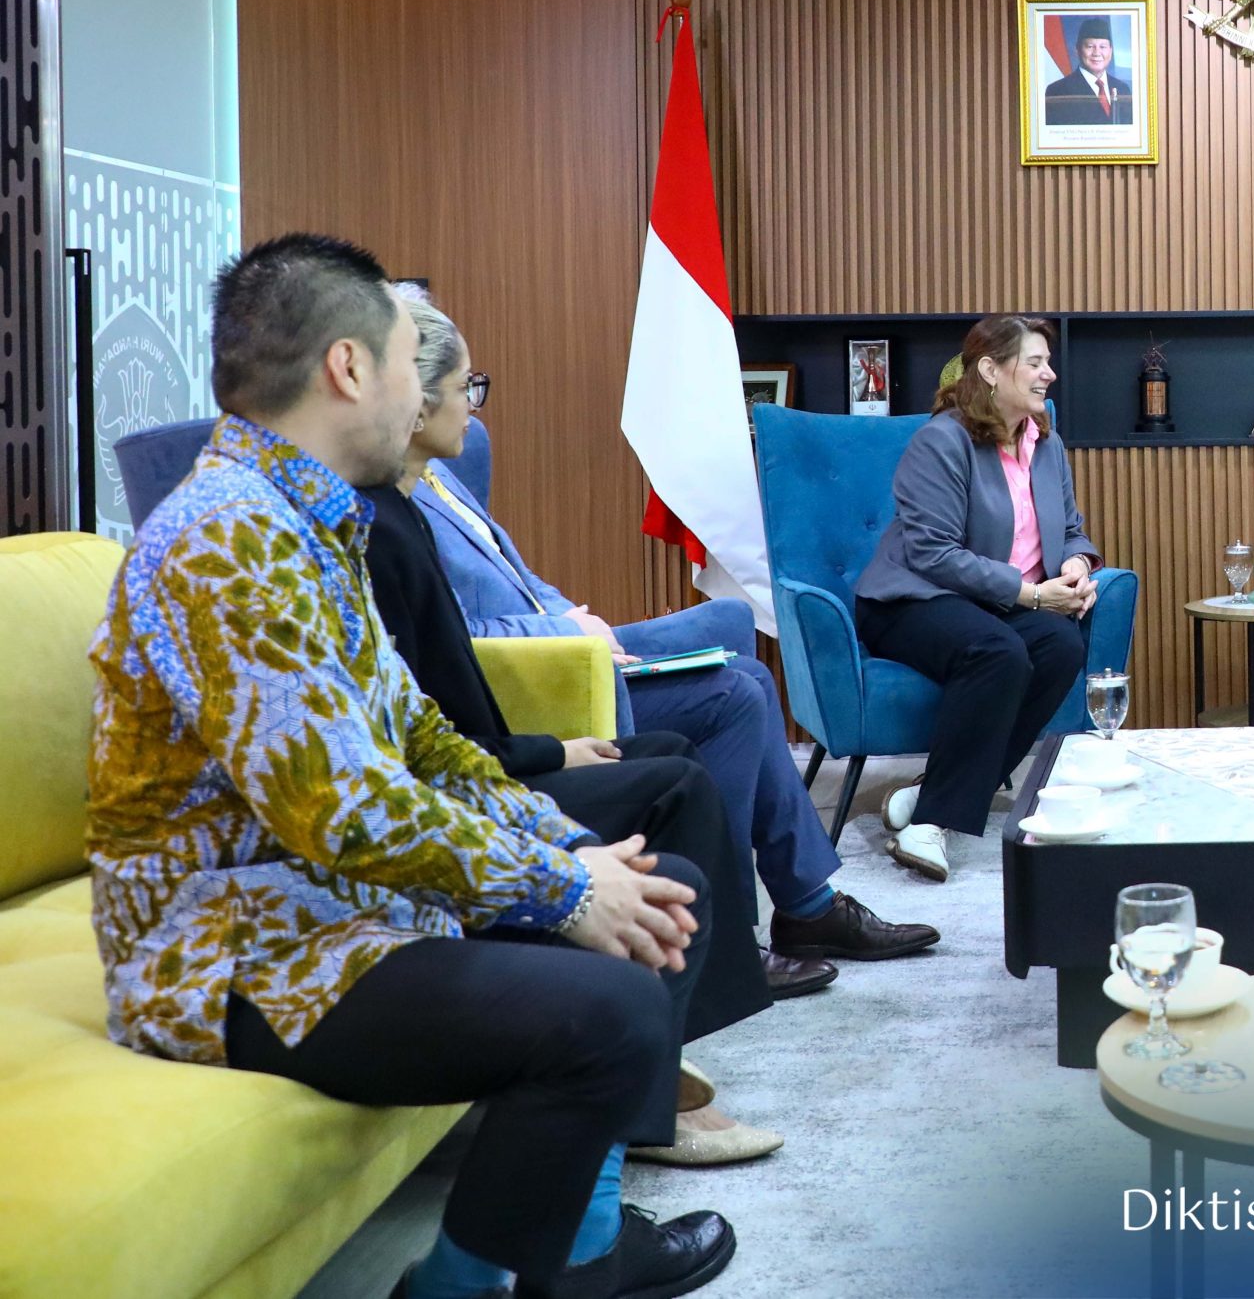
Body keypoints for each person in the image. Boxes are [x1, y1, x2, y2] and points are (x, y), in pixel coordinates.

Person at [87, 234, 734, 1299]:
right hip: (243, 955)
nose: (429, 394)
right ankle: (463, 1288)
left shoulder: (310, 522)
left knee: (663, 893)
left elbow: (421, 738)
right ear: (348, 368)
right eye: (408, 362)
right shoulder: (225, 539)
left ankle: (574, 1254)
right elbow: (342, 807)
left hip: (341, 909)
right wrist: (564, 888)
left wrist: (572, 851)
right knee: (609, 1008)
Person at [408, 289, 939, 985]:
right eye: (465, 388)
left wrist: (579, 620)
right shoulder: (392, 506)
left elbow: (522, 579)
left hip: (574, 648)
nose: (475, 407)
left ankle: (804, 907)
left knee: (738, 645)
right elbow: (445, 635)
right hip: (539, 678)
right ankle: (741, 929)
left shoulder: (441, 479)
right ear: (414, 399)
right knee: (738, 696)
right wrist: (562, 632)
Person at [366, 291, 784, 1167]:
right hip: (474, 776)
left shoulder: (422, 497)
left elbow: (428, 718)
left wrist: (554, 745)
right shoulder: (366, 529)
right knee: (682, 775)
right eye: (465, 386)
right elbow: (408, 748)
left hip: (494, 751)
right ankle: (654, 1079)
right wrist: (553, 845)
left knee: (686, 737)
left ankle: (672, 1039)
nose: (474, 406)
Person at [856, 314, 1099, 881]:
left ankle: (932, 793)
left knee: (1061, 646)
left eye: (1048, 362)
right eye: (1034, 363)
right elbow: (933, 553)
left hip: (992, 603)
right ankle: (928, 825)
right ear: (990, 369)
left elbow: (1071, 530)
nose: (1049, 374)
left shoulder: (1046, 444)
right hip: (911, 600)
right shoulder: (942, 440)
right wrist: (1031, 594)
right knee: (998, 651)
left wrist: (1076, 564)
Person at [1043, 18, 1133, 125]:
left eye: (1103, 47)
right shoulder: (1058, 91)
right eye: (1090, 47)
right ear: (1077, 49)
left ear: (1110, 50)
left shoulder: (1123, 89)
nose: (1097, 53)